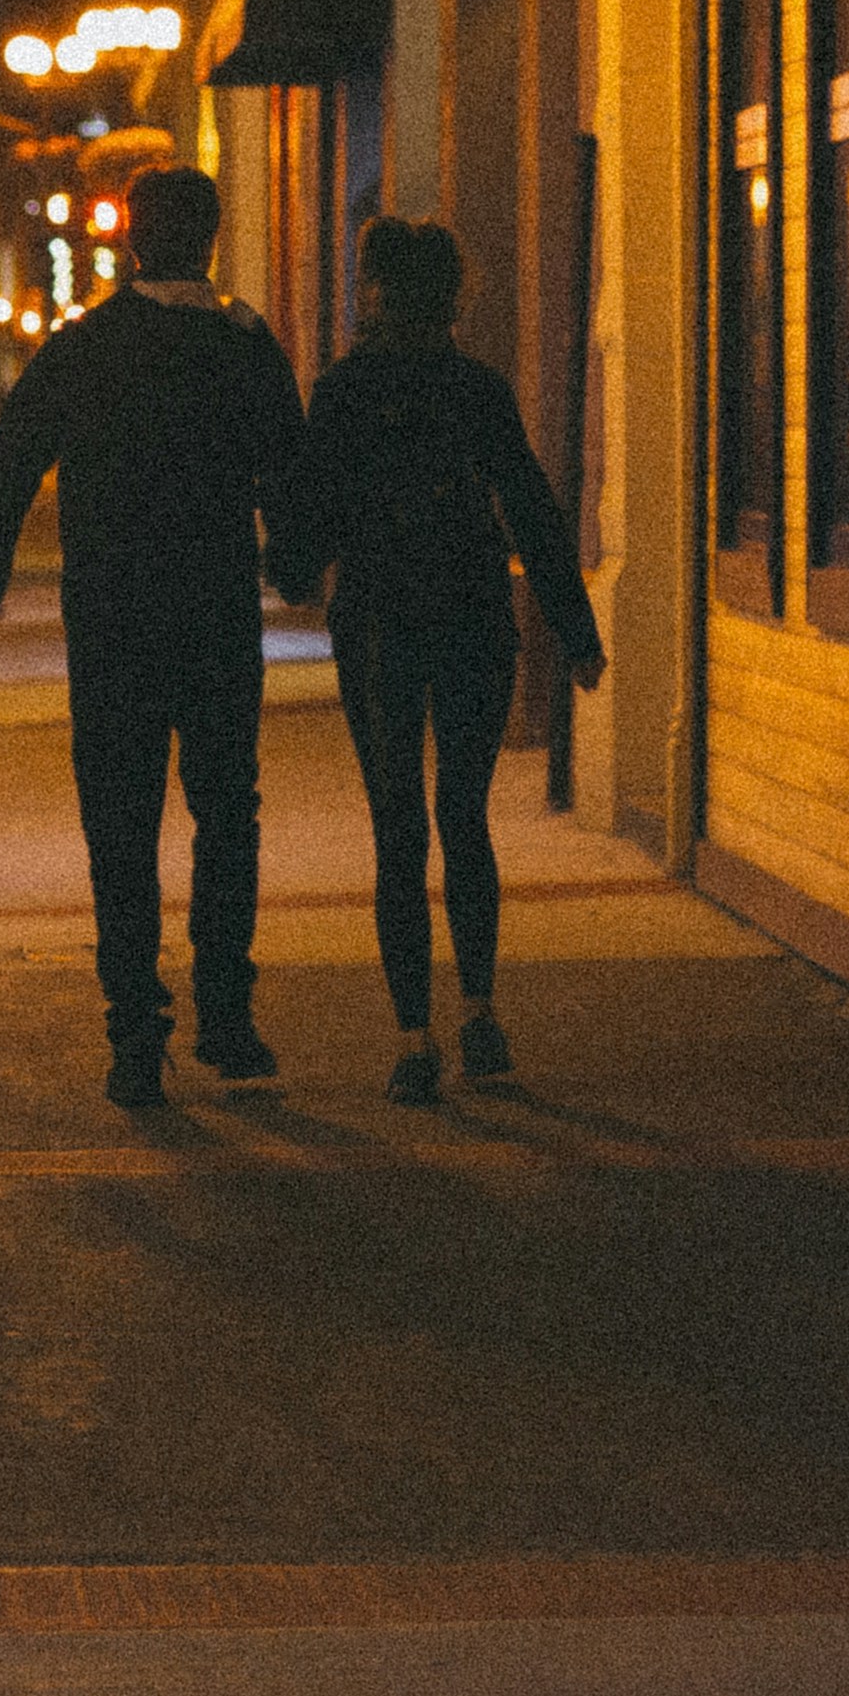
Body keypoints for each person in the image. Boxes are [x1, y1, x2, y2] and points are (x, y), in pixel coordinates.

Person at [0, 167, 312, 1107]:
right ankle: (227, 1019)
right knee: (226, 811)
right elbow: (289, 464)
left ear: (129, 241)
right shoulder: (244, 345)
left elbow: (12, 458)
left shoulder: (85, 347)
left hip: (112, 619)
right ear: (213, 237)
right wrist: (298, 559)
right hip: (215, 614)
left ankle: (133, 1031)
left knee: (121, 822)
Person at [295, 217, 602, 1104]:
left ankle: (411, 1038)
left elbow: (310, 519)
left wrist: (283, 564)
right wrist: (573, 630)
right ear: (452, 293)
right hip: (471, 611)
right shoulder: (476, 389)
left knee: (397, 829)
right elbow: (532, 506)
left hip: (380, 620)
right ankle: (477, 1014)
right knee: (463, 817)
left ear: (377, 289)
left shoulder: (344, 391)